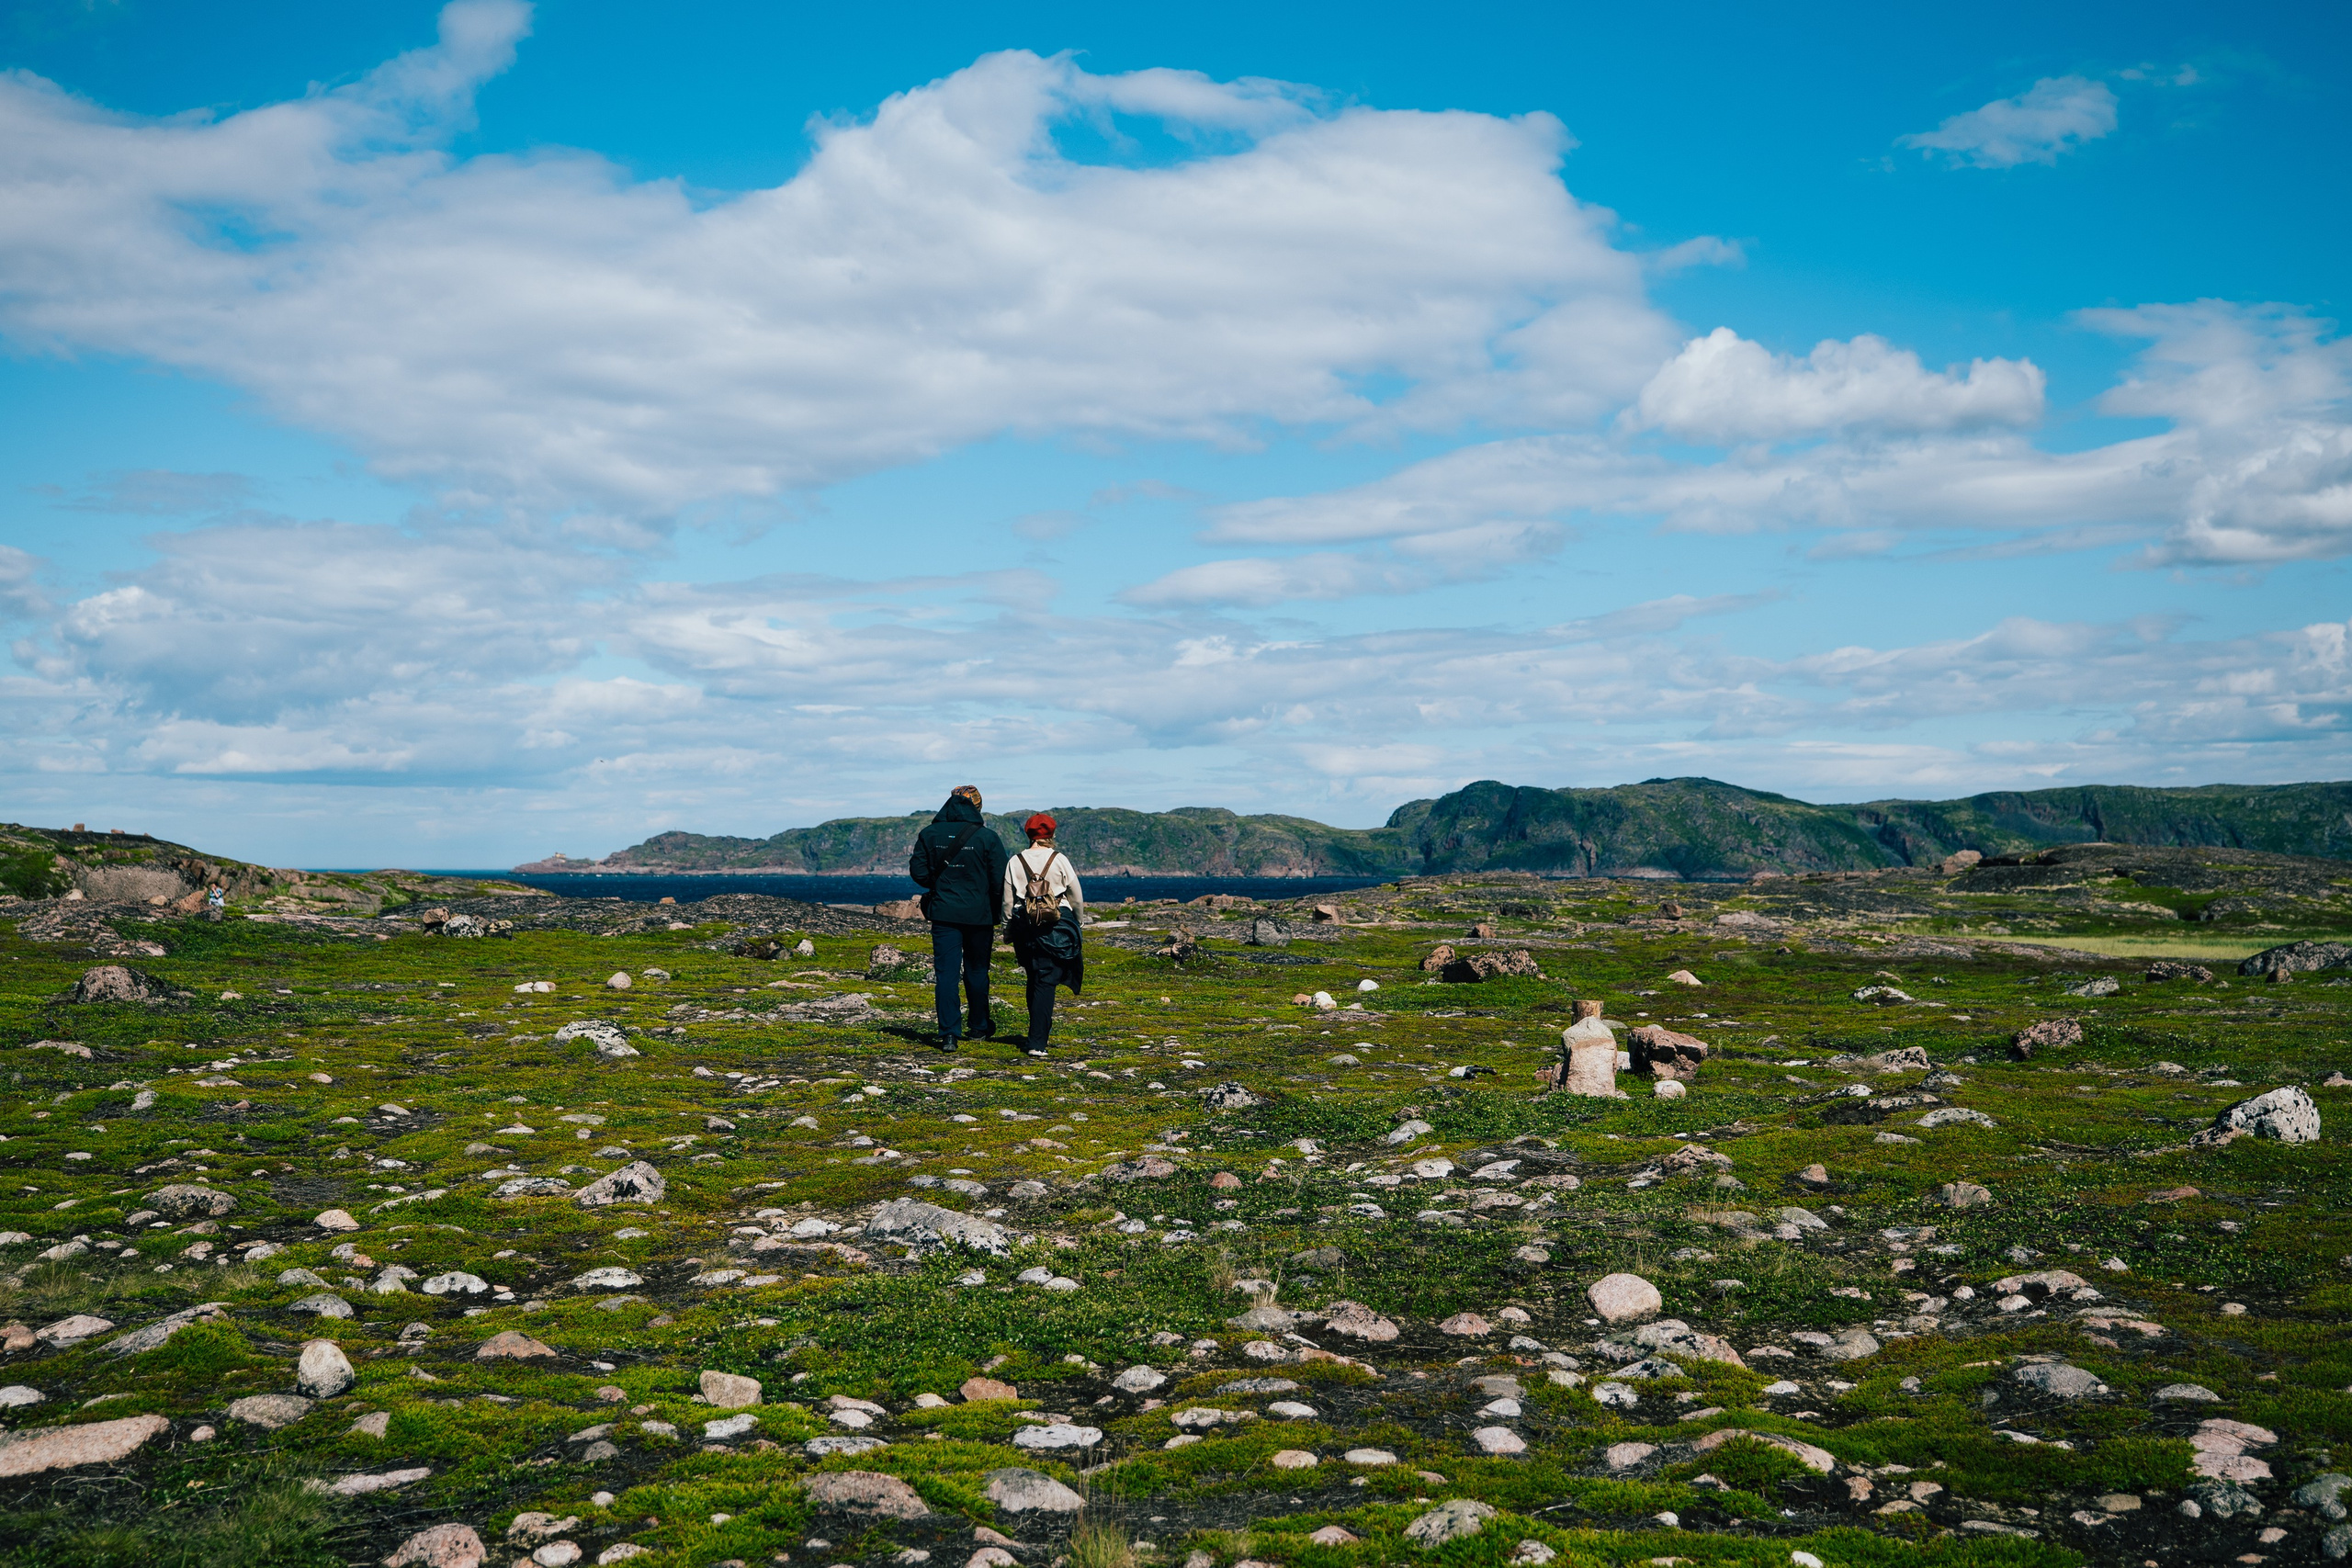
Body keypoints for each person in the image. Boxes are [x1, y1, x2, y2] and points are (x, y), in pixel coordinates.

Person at [907, 784, 1009, 1050]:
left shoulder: (929, 834)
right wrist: (996, 910)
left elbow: (918, 873)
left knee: (946, 975)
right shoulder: (988, 837)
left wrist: (939, 885)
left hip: (944, 914)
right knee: (977, 972)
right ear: (977, 807)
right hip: (980, 916)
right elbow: (1000, 881)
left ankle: (949, 1034)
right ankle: (979, 1027)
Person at [1001, 813, 1085, 1055]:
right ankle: (1037, 1042)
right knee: (1045, 981)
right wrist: (1076, 923)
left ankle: (1036, 1032)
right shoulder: (1059, 860)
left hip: (1025, 926)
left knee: (1035, 977)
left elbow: (1008, 902)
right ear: (1051, 834)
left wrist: (1008, 929)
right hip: (1056, 925)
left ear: (1028, 834)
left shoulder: (1014, 861)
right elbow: (1076, 895)